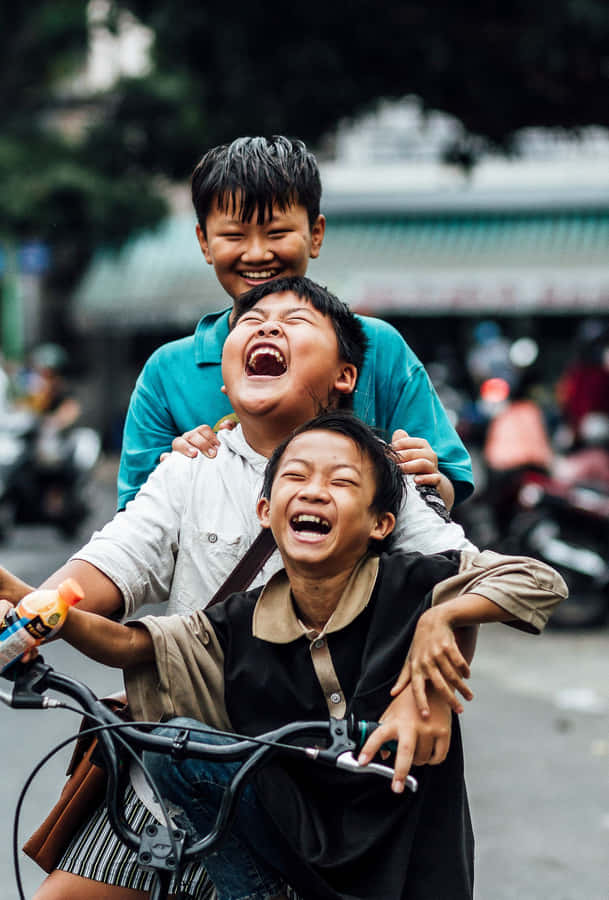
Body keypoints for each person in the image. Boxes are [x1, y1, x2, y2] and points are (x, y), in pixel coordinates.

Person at [0, 277, 564, 899]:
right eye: (252, 319)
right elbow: (110, 576)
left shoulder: (384, 475)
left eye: (295, 320)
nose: (267, 326)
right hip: (177, 770)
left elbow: (475, 573)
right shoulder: (192, 468)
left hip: (317, 795)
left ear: (346, 375)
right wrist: (27, 610)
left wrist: (433, 652)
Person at [117, 135, 474, 512]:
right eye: (234, 235)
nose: (257, 253)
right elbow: (134, 520)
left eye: (277, 233)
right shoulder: (167, 372)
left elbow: (445, 491)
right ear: (204, 242)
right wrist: (172, 474)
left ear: (315, 235)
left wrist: (428, 478)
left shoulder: (378, 346)